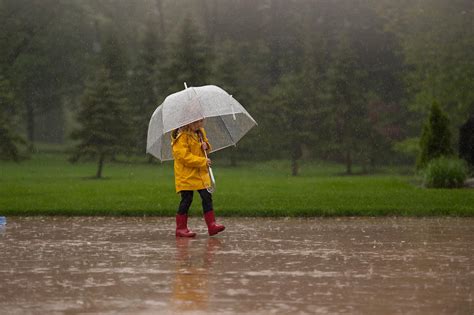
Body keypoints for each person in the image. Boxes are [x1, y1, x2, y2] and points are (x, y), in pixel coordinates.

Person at [171, 119, 225, 237]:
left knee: (207, 196)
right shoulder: (181, 137)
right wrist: (202, 161)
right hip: (186, 175)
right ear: (187, 122)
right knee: (187, 199)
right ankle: (181, 228)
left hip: (200, 174)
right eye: (197, 122)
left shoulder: (200, 133)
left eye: (201, 121)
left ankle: (212, 225)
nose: (200, 124)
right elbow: (184, 157)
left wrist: (206, 146)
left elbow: (204, 149)